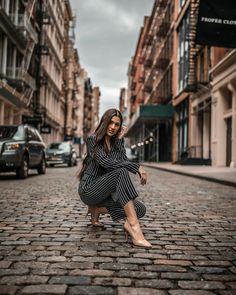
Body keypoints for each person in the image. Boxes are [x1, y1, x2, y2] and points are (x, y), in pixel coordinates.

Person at [78, 108, 151, 248]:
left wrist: (118, 141)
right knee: (121, 172)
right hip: (89, 189)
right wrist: (137, 167)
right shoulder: (93, 139)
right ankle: (135, 229)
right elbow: (106, 163)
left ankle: (97, 209)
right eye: (110, 122)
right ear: (104, 122)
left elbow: (122, 160)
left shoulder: (116, 142)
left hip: (106, 193)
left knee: (140, 209)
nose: (113, 127)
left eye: (117, 124)